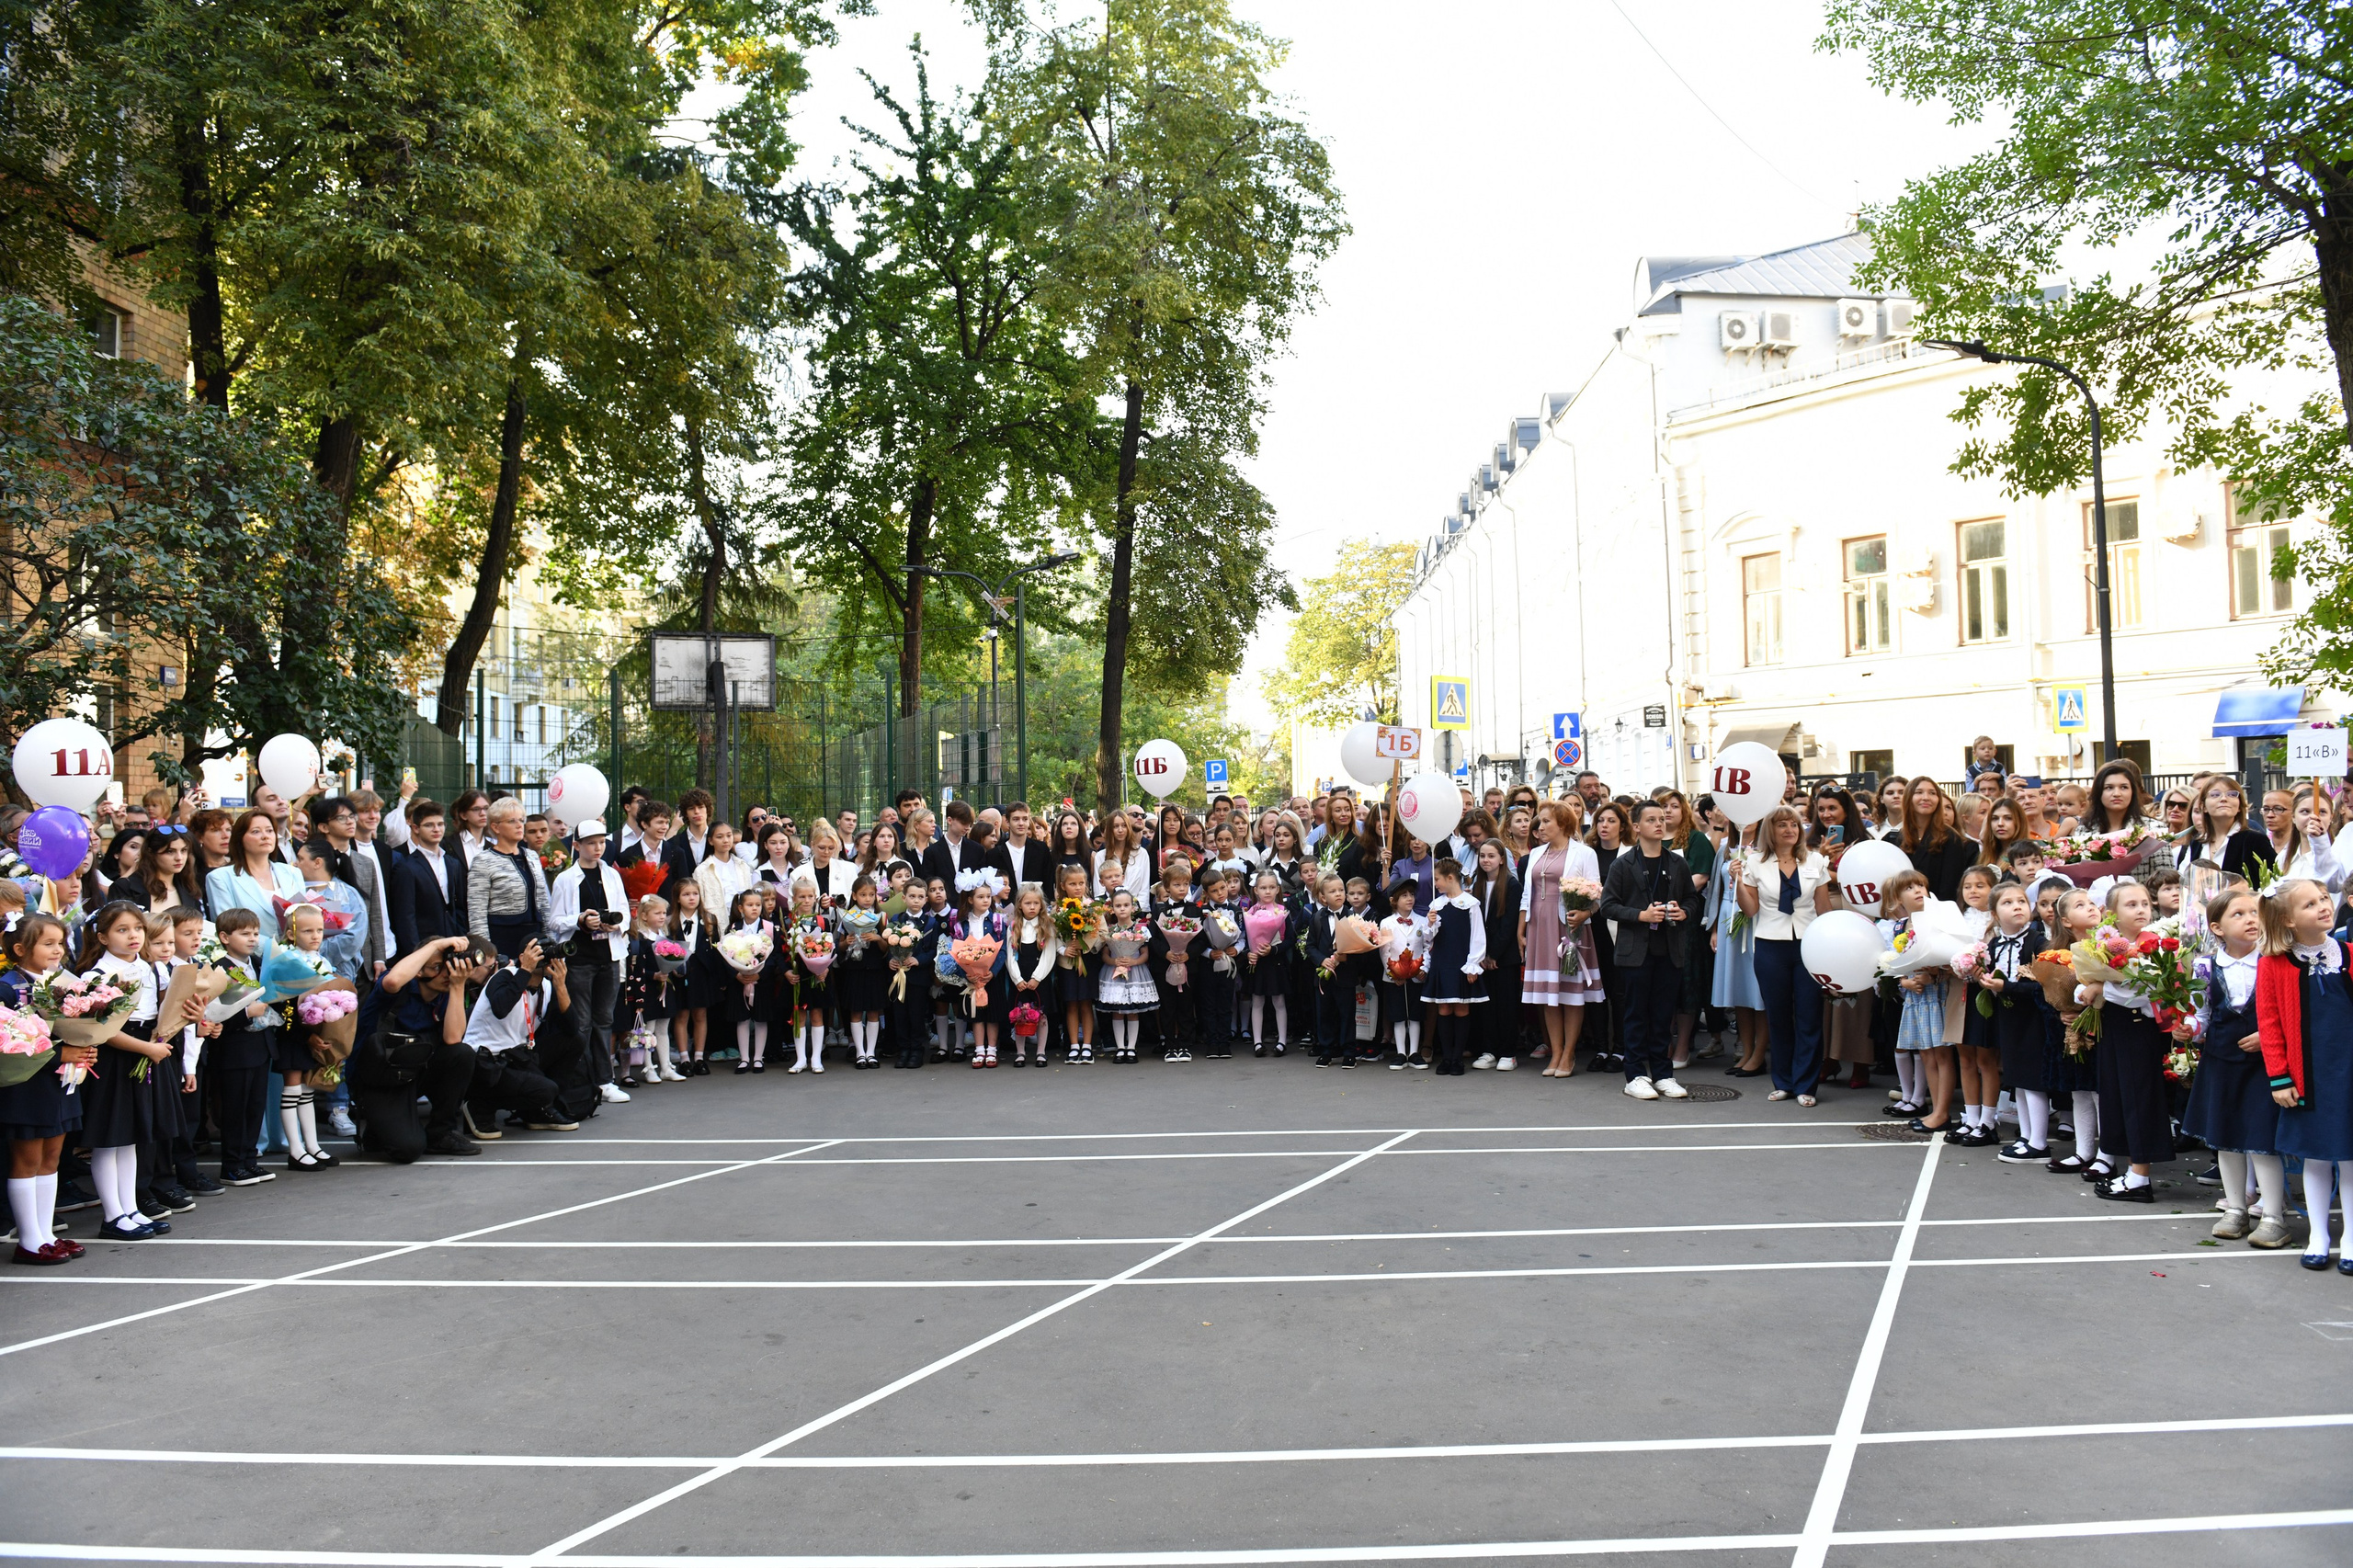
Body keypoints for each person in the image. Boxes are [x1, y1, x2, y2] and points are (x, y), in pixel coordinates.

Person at [2182, 888, 2291, 1244]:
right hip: (2222, 1061)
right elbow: (2203, 1015)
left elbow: (2290, 1013)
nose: (2250, 920)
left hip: (2265, 1065)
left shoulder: (2275, 961)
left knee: (2262, 1140)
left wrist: (2269, 1036)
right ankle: (2235, 1209)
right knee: (2226, 1139)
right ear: (2216, 927)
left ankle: (2273, 1215)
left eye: (2254, 913)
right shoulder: (2205, 966)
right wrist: (2190, 1029)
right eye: (2239, 914)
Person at [348, 935, 490, 1161]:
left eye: (448, 965)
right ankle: (377, 1130)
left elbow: (454, 1039)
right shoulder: (398, 987)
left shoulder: (447, 994)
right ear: (419, 971)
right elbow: (393, 981)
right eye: (437, 967)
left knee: (462, 1054)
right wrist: (434, 945)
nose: (447, 972)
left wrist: (458, 986)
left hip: (415, 1075)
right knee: (408, 1150)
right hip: (379, 1082)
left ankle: (440, 1134)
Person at [2, 915, 92, 1264]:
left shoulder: (62, 983)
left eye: (60, 943)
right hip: (27, 1085)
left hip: (59, 1082)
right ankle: (28, 1240)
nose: (58, 950)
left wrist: (85, 1047)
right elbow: (10, 1038)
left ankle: (46, 1234)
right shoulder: (9, 987)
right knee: (27, 1159)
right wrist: (60, 1052)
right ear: (21, 949)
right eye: (48, 943)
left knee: (51, 1158)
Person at [1598, 800, 1701, 1101]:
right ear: (1636, 827)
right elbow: (1608, 906)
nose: (1660, 823)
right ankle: (1635, 1074)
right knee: (1635, 1014)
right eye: (1652, 819)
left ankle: (1663, 1073)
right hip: (1635, 952)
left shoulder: (1677, 863)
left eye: (1662, 819)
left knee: (1662, 1014)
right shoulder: (1624, 864)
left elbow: (1692, 900)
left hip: (1669, 949)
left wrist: (1684, 911)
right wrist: (1641, 915)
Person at [1737, 805, 1835, 1107]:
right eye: (1782, 825)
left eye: (1794, 824)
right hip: (1769, 944)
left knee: (1809, 1016)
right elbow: (1750, 910)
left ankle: (1806, 1084)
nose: (1790, 830)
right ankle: (1784, 1082)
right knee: (1777, 1016)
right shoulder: (1754, 862)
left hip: (1808, 945)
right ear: (1771, 831)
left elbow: (1823, 909)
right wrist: (1739, 881)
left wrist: (1833, 947)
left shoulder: (1815, 861)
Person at [460, 937, 577, 1138]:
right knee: (545, 1090)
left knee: (575, 1041)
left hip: (518, 1056)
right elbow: (501, 1008)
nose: (544, 958)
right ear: (523, 957)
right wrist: (525, 969)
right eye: (537, 953)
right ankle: (479, 1105)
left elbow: (572, 1029)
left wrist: (561, 986)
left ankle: (537, 1111)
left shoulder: (546, 987)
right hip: (486, 1061)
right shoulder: (504, 976)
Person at [549, 819, 631, 1100]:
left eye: (601, 843)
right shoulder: (565, 879)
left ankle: (605, 1080)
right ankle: (581, 1079)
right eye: (591, 843)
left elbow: (625, 911)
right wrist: (581, 920)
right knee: (581, 1022)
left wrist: (615, 925)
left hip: (609, 954)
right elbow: (555, 921)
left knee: (603, 1020)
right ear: (577, 846)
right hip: (579, 958)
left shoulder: (611, 874)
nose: (598, 848)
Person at [1519, 800, 1602, 1077]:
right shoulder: (1536, 853)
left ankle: (1568, 1054)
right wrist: (1522, 928)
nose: (1539, 826)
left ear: (1563, 824)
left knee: (1570, 993)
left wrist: (1584, 914)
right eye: (1539, 821)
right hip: (1539, 927)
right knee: (1548, 995)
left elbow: (1596, 895)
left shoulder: (1584, 853)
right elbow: (1526, 894)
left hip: (1568, 928)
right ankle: (1555, 1052)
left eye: (1545, 821)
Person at [1421, 858, 1488, 1076]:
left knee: (1461, 1008)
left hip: (1461, 962)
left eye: (1438, 879)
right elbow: (1428, 939)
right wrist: (1430, 924)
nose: (1436, 884)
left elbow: (1478, 937)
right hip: (1442, 962)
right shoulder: (1436, 905)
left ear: (1450, 878)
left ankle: (1457, 1058)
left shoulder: (1471, 904)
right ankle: (1447, 1057)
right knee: (1443, 1008)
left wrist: (1472, 965)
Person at [468, 798, 551, 960]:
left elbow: (543, 903)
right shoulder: (483, 861)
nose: (520, 825)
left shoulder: (532, 856)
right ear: (495, 827)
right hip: (503, 939)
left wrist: (550, 939)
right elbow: (477, 913)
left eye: (521, 820)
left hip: (535, 937)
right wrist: (488, 954)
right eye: (512, 821)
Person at [203, 810, 304, 944]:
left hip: (297, 955)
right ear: (240, 838)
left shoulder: (292, 872)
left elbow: (305, 917)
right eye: (256, 831)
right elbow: (228, 928)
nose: (265, 836)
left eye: (269, 831)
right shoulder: (220, 878)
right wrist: (275, 952)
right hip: (251, 958)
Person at [388, 799, 469, 959]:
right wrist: (415, 952)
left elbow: (458, 906)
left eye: (440, 824)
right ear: (416, 828)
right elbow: (405, 916)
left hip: (452, 942)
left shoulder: (452, 863)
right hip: (422, 946)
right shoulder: (406, 867)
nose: (436, 829)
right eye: (429, 825)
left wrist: (460, 937)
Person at [1469, 839, 1522, 1072]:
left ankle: (1508, 1052)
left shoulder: (1511, 885)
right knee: (1486, 1005)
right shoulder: (1476, 886)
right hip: (1482, 957)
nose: (1486, 860)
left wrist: (1494, 954)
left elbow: (1509, 924)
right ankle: (1489, 1050)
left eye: (1491, 856)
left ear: (1502, 859)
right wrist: (1482, 954)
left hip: (1504, 957)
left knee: (1506, 1004)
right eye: (1482, 856)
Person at [1242, 869, 1294, 1057]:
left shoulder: (1282, 911)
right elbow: (1244, 937)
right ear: (1255, 890)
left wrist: (1274, 950)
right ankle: (1257, 1042)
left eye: (1272, 887)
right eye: (1263, 888)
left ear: (1278, 889)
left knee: (1279, 1000)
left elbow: (1290, 940)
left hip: (1276, 961)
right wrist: (1249, 953)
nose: (1267, 891)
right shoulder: (1249, 913)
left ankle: (1281, 1040)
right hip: (1257, 962)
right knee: (1257, 1000)